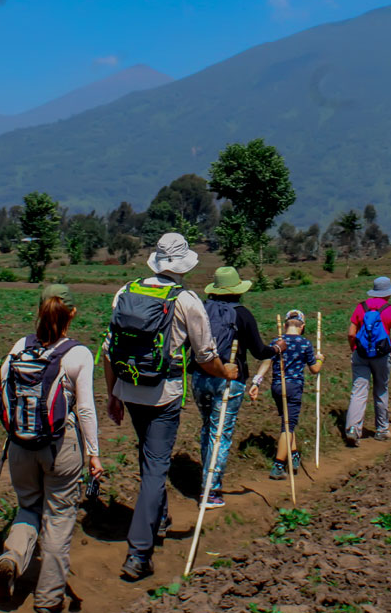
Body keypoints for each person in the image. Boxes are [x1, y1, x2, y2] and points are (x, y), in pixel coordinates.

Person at [102, 233, 236, 582]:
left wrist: (113, 393)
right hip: (163, 393)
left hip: (129, 388)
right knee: (155, 467)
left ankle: (158, 519)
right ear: (182, 266)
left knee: (147, 456)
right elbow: (206, 357)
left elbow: (108, 349)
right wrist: (227, 372)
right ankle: (139, 554)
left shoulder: (125, 292)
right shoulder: (187, 300)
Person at [0, 284, 103, 613]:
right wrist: (94, 453)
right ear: (72, 313)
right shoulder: (78, 354)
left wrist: (10, 423)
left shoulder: (20, 346)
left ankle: (11, 556)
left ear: (39, 311)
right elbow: (84, 410)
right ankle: (49, 599)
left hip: (20, 445)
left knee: (28, 507)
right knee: (59, 517)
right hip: (60, 447)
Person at [196, 266, 283, 509]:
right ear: (237, 291)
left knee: (207, 428)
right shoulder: (242, 314)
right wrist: (276, 349)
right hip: (230, 379)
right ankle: (211, 490)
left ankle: (206, 479)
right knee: (220, 433)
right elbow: (258, 351)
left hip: (201, 377)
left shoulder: (201, 310)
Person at [248, 309, 323, 478]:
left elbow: (266, 363)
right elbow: (314, 369)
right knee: (288, 426)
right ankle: (278, 465)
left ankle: (294, 454)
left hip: (277, 387)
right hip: (294, 387)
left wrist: (256, 383)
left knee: (287, 421)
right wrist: (320, 359)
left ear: (285, 325)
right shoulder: (305, 344)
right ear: (302, 326)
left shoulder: (277, 342)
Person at [344, 276, 391, 446]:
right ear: (388, 293)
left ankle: (353, 429)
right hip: (382, 357)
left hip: (360, 354)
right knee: (381, 390)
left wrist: (353, 349)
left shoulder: (361, 307)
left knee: (358, 391)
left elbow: (351, 333)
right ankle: (382, 430)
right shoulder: (390, 310)